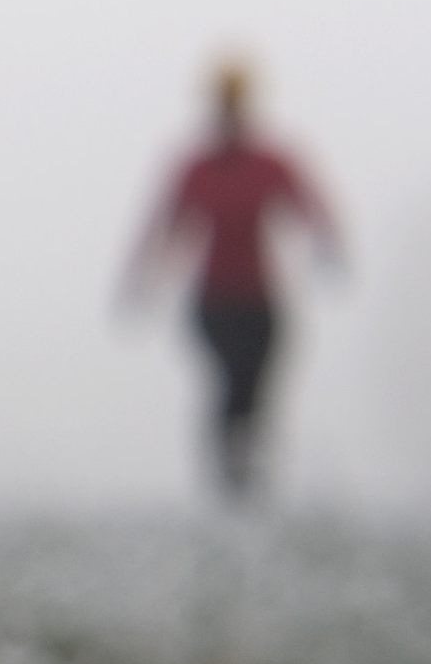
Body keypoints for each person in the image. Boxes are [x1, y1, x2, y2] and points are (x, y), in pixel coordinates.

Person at [123, 59, 344, 498]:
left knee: (257, 385)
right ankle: (230, 472)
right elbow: (164, 224)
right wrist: (140, 279)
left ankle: (247, 470)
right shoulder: (196, 168)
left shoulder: (269, 162)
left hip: (261, 299)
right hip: (213, 300)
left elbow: (309, 205)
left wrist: (327, 247)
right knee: (230, 379)